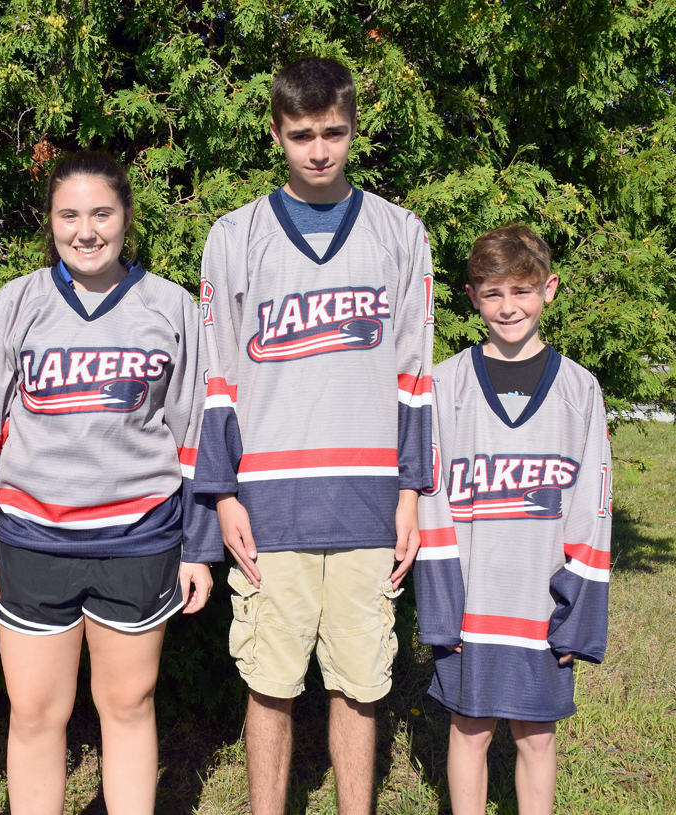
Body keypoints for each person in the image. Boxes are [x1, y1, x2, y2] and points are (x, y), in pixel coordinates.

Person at [193, 57, 435, 815]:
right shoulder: (235, 236)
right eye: (302, 135)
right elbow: (217, 378)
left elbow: (414, 374)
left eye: (333, 132)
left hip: (368, 501)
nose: (319, 150)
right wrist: (223, 495)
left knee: (360, 685)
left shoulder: (401, 233)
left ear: (354, 127)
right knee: (269, 684)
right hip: (270, 505)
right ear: (276, 133)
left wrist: (411, 493)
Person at [0, 150, 219, 815]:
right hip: (31, 539)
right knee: (34, 712)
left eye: (102, 213)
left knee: (128, 704)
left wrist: (198, 546)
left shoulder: (171, 307)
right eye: (68, 215)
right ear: (49, 221)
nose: (86, 231)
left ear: (126, 216)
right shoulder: (14, 305)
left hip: (138, 539)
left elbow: (196, 433)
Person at [414, 224, 611, 814]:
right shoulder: (446, 384)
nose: (508, 307)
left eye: (522, 291)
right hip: (471, 603)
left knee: (537, 736)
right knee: (469, 731)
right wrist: (442, 608)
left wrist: (576, 613)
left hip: (539, 605)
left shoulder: (579, 389)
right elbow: (430, 500)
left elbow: (593, 509)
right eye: (493, 293)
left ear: (549, 288)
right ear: (472, 296)